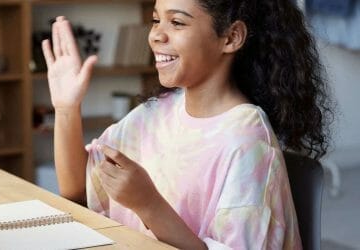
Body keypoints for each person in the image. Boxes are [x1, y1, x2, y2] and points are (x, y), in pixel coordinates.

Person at [41, 0, 334, 248]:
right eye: (156, 20)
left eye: (177, 23)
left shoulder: (248, 144)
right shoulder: (154, 114)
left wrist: (149, 205)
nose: (156, 35)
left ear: (231, 37)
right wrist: (67, 108)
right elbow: (77, 189)